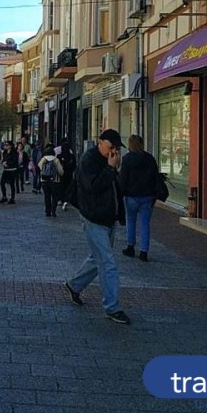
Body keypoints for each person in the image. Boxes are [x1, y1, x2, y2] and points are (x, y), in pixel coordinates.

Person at [65, 129, 130, 325]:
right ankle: (112, 307)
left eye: (117, 149)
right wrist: (110, 168)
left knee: (98, 258)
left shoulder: (108, 161)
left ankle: (74, 285)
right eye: (111, 147)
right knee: (108, 262)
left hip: (107, 218)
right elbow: (92, 187)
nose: (114, 152)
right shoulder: (88, 160)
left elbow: (115, 189)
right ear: (100, 142)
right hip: (93, 217)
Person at [119, 134, 159, 262]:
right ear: (141, 144)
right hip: (147, 196)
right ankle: (144, 252)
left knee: (130, 221)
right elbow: (155, 177)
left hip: (131, 196)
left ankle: (130, 247)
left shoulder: (127, 159)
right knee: (145, 224)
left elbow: (123, 179)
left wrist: (121, 192)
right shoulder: (149, 158)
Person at [37, 143, 64, 217]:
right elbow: (61, 171)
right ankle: (53, 210)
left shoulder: (43, 159)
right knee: (54, 196)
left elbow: (39, 167)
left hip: (44, 180)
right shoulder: (56, 159)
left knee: (47, 196)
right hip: (55, 181)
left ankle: (47, 211)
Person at [57, 139, 77, 211]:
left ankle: (61, 199)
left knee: (61, 187)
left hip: (61, 174)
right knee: (67, 187)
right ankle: (66, 199)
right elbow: (74, 166)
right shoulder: (71, 156)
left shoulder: (59, 156)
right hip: (68, 174)